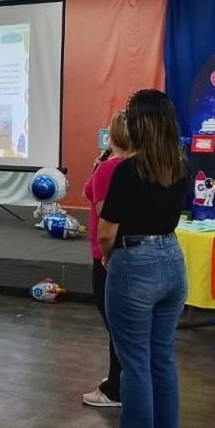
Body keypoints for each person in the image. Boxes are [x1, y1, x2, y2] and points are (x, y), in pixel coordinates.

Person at [98, 89, 189, 428]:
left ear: (136, 126)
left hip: (135, 264)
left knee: (134, 365)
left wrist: (107, 255)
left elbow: (107, 232)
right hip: (172, 260)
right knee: (161, 360)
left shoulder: (126, 170)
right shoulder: (181, 164)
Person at [82, 111, 131, 408]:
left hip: (106, 255)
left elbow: (103, 217)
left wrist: (107, 254)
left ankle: (115, 389)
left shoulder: (109, 170)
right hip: (119, 252)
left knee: (115, 325)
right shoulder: (129, 167)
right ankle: (118, 379)